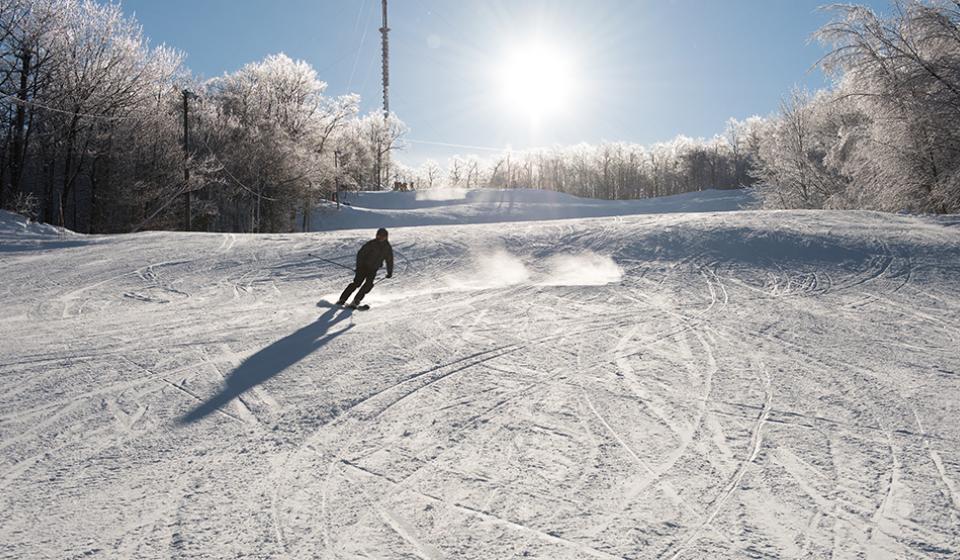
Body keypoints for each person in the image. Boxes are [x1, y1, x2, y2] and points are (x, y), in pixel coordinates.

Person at [337, 228, 394, 307]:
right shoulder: (371, 244)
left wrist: (389, 272)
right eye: (379, 235)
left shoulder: (387, 247)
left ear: (386, 237)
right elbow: (360, 254)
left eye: (382, 236)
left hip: (373, 269)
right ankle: (342, 299)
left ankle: (356, 300)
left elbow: (389, 260)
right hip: (363, 267)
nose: (380, 237)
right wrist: (359, 266)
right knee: (357, 283)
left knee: (368, 284)